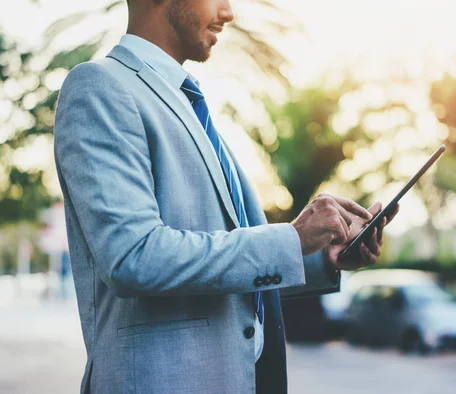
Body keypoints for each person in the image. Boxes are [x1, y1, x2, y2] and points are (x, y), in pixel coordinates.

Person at [53, 1, 397, 393]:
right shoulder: (99, 87)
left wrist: (321, 258)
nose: (228, 11)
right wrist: (292, 237)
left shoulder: (190, 106)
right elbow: (134, 256)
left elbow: (227, 272)